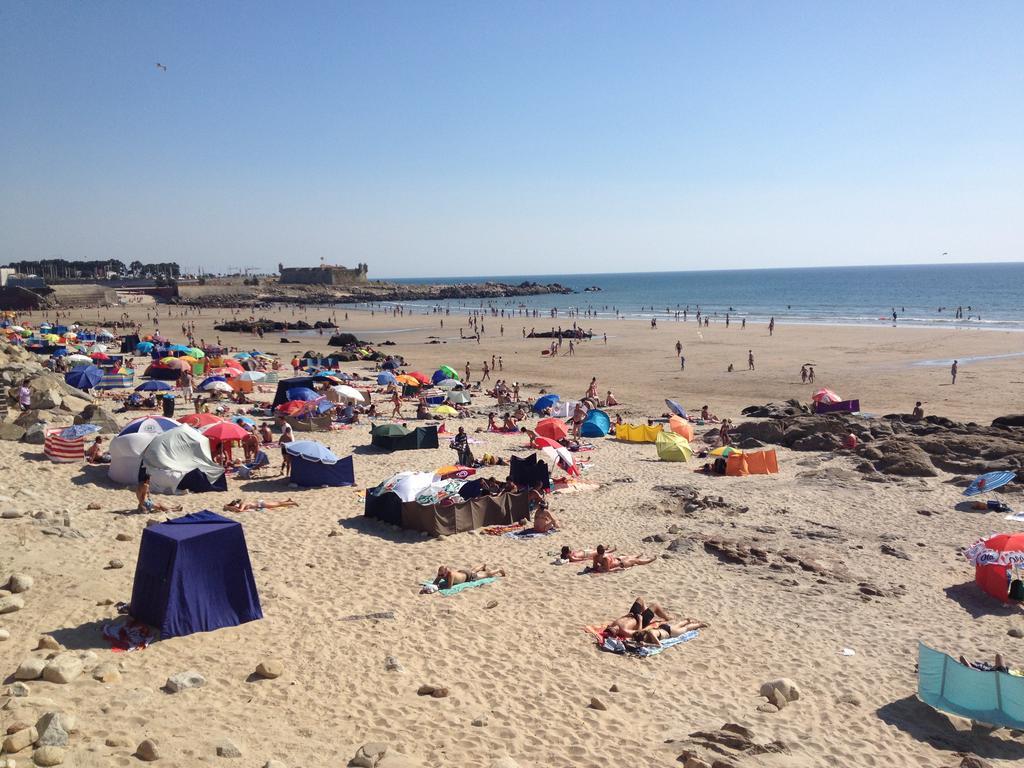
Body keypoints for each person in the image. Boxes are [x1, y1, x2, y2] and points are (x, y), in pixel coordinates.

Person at [604, 597, 672, 638]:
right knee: (655, 605)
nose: (615, 628)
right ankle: (667, 618)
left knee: (640, 599)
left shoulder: (612, 625)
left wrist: (626, 616)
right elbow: (638, 633)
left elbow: (620, 620)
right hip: (641, 620)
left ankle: (647, 611)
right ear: (616, 634)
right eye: (615, 631)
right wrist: (640, 620)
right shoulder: (624, 631)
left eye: (612, 629)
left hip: (632, 615)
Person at [633, 618, 710, 647]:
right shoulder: (644, 632)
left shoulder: (651, 634)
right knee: (677, 625)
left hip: (670, 632)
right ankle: (687, 620)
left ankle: (700, 624)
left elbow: (659, 645)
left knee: (685, 629)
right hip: (664, 628)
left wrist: (646, 644)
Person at [433, 564, 506, 588]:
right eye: (439, 574)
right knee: (473, 571)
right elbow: (435, 582)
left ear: (446, 572)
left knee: (486, 575)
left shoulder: (450, 575)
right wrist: (438, 578)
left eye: (442, 574)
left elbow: (449, 587)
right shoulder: (442, 573)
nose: (440, 576)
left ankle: (499, 569)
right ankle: (482, 566)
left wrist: (438, 586)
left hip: (468, 577)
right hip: (462, 573)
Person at [223, 497, 299, 512]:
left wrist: (230, 508)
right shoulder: (242, 503)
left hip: (261, 504)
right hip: (260, 503)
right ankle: (288, 500)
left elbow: (240, 510)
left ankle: (293, 502)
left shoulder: (242, 504)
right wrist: (229, 507)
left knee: (278, 504)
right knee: (276, 503)